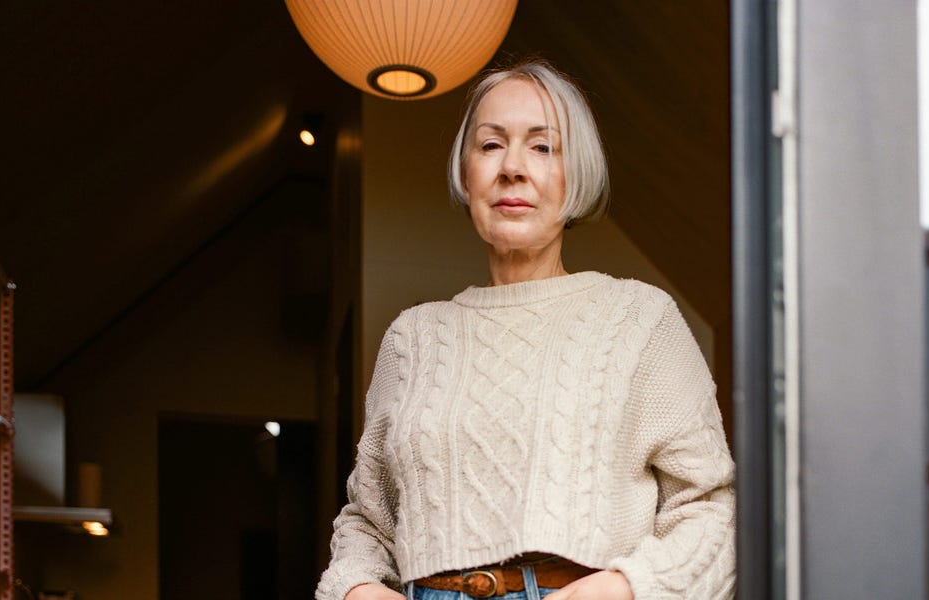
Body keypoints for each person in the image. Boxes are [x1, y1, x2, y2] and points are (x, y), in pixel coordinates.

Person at [315, 59, 735, 600]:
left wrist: (625, 589)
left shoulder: (639, 319)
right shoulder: (412, 339)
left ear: (576, 173)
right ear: (466, 173)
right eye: (491, 145)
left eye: (542, 146)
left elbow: (713, 510)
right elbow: (368, 521)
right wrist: (357, 589)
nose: (512, 167)